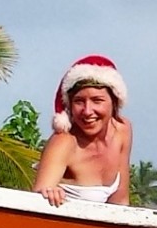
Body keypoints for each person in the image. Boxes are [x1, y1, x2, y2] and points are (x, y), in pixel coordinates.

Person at [33, 54, 133, 206]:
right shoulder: (64, 142)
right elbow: (37, 199)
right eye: (79, 101)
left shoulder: (122, 130)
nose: (87, 111)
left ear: (114, 103)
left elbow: (120, 201)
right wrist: (49, 193)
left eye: (97, 100)